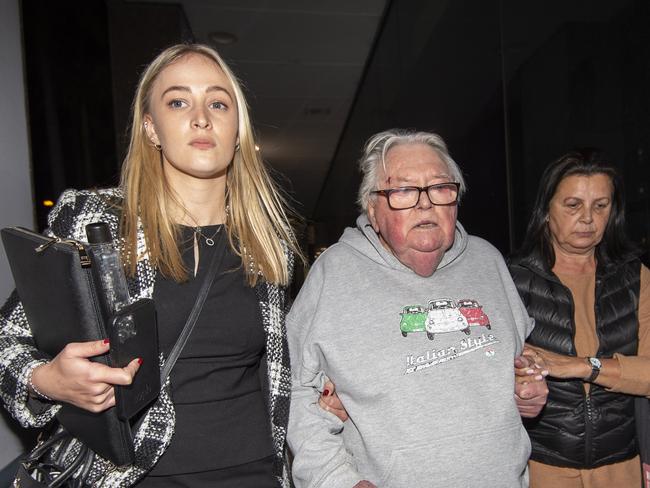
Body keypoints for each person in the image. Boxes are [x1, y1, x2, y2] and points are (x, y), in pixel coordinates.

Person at [0, 43, 302, 487]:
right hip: (133, 475)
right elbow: (6, 339)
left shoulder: (267, 240)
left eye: (218, 103)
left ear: (237, 128)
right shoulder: (96, 221)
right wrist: (47, 379)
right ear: (151, 129)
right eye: (178, 102)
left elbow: (282, 365)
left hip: (254, 471)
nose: (201, 118)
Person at [286, 128, 546, 488]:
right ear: (373, 211)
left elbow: (516, 365)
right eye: (404, 191)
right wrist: (335, 480)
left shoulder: (488, 262)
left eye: (440, 188)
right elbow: (297, 393)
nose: (426, 204)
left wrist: (527, 391)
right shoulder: (334, 274)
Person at [508, 149, 650, 488]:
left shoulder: (635, 277)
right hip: (542, 467)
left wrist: (578, 365)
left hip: (622, 466)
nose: (588, 218)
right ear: (546, 211)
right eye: (573, 206)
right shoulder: (511, 280)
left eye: (601, 206)